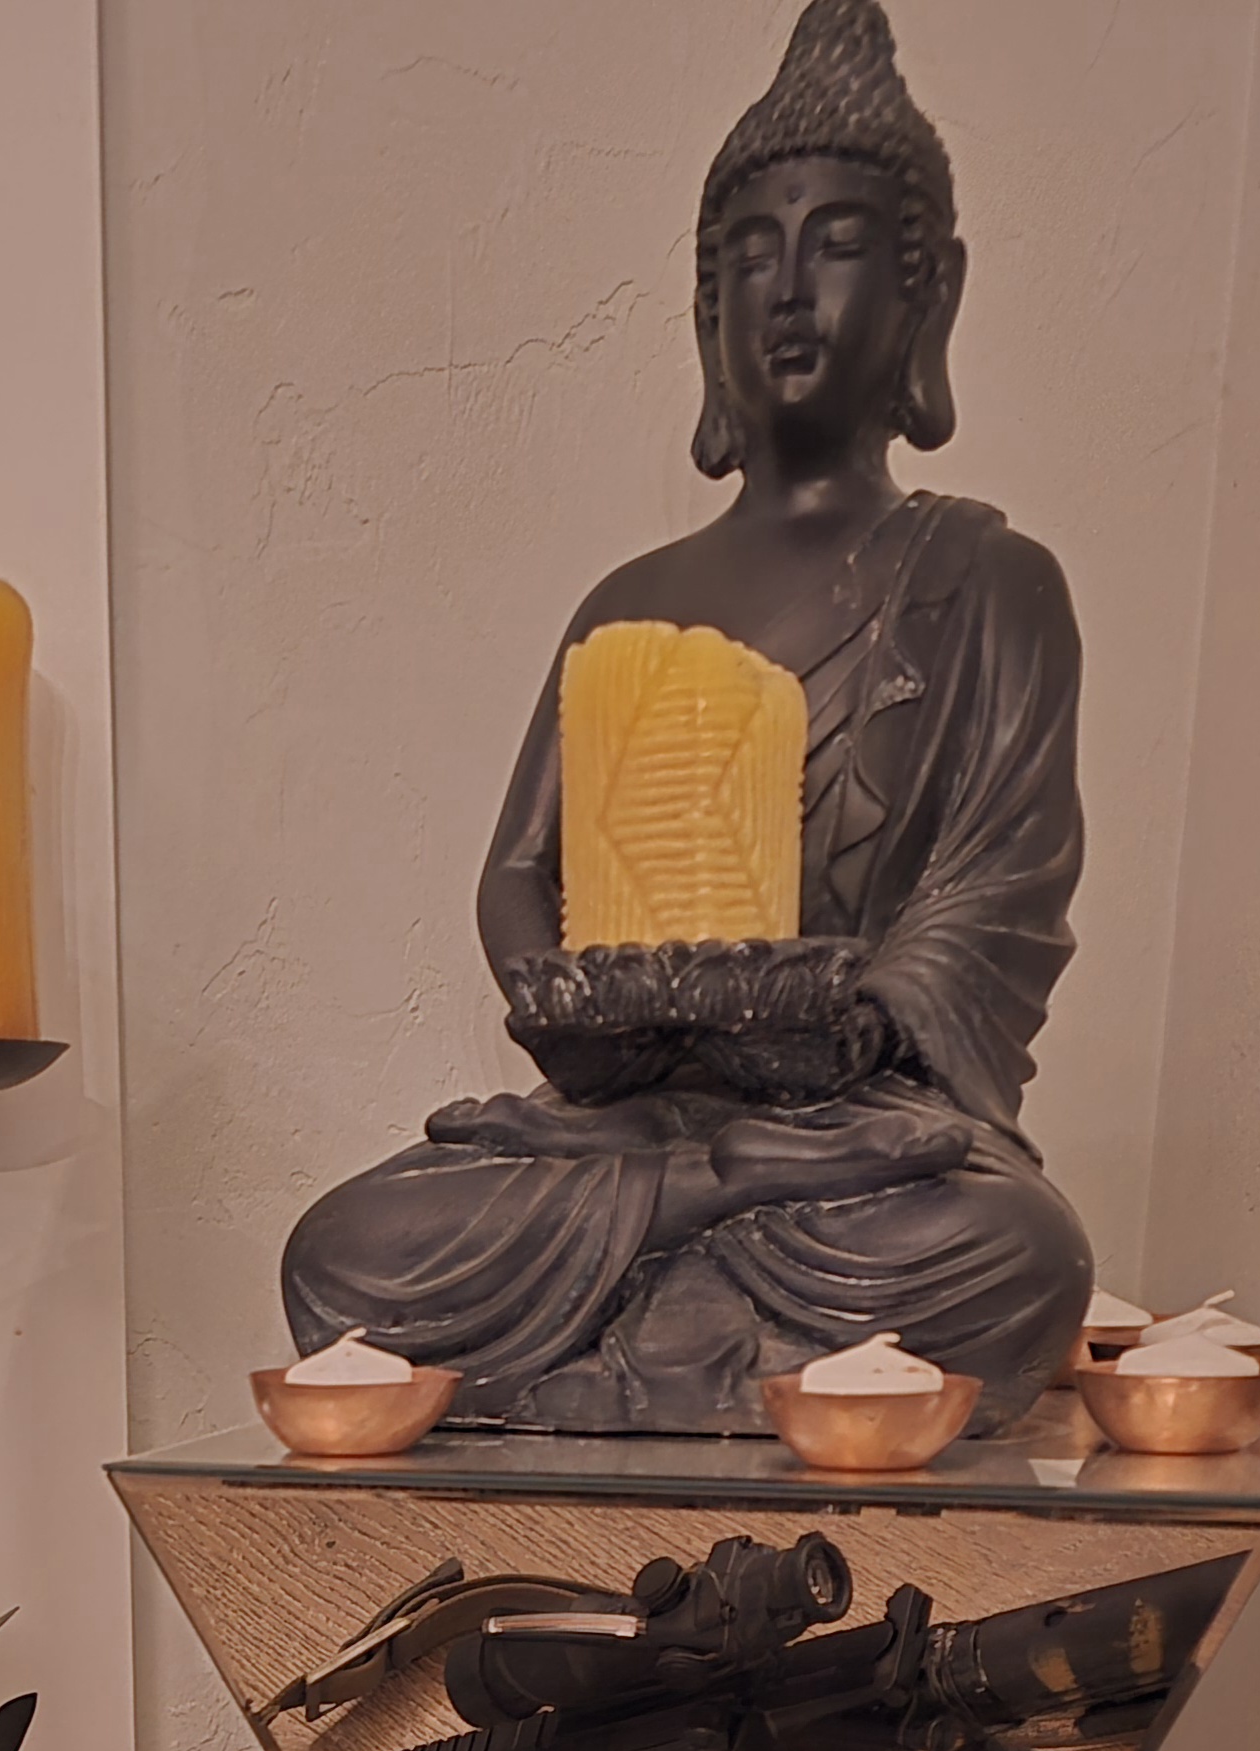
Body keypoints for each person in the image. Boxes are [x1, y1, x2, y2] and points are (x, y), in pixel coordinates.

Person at [281, 0, 1093, 1435]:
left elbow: (1002, 891)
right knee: (343, 1253)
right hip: (626, 1125)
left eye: (838, 245)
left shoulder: (985, 583)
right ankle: (711, 1220)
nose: (789, 290)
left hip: (854, 1133)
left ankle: (667, 1294)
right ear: (705, 308)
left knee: (1022, 1255)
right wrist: (577, 1010)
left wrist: (837, 1028)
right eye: (751, 255)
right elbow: (518, 872)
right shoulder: (627, 605)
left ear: (929, 296)